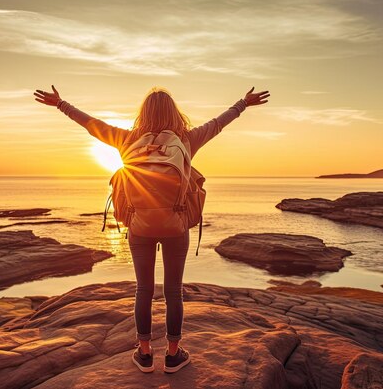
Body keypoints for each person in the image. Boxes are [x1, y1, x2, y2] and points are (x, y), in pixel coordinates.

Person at [34, 86, 270, 373]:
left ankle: (144, 353)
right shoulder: (186, 139)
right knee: (174, 291)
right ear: (174, 112)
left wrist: (61, 104)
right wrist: (243, 103)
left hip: (139, 226)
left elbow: (91, 125)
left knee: (143, 289)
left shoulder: (128, 139)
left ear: (143, 113)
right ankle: (173, 354)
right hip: (176, 225)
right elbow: (218, 123)